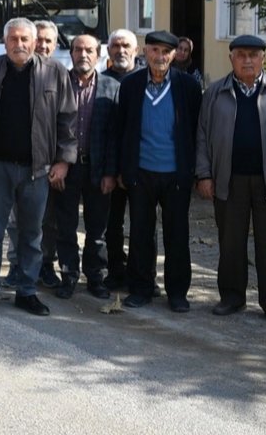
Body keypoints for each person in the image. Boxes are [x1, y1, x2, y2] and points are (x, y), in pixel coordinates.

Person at [196, 34, 266, 325]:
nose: (248, 60)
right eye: (242, 54)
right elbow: (202, 137)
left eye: (254, 55)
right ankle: (232, 297)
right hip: (229, 179)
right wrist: (204, 174)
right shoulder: (215, 94)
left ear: (263, 58)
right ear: (231, 58)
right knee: (230, 243)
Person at [0, 18, 76, 317]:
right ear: (4, 43)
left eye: (24, 39)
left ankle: (27, 291)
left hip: (37, 169)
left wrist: (63, 160)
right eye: (13, 39)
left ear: (34, 41)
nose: (19, 44)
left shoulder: (54, 71)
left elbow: (68, 118)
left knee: (32, 233)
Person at [111, 30, 202, 312]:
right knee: (140, 233)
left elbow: (197, 129)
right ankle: (141, 287)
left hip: (176, 174)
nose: (160, 57)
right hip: (141, 172)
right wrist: (121, 170)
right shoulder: (131, 85)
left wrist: (195, 172)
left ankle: (177, 293)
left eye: (166, 52)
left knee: (177, 235)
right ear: (145, 52)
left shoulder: (187, 87)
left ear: (174, 55)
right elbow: (120, 130)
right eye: (154, 50)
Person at [50, 34, 119, 300]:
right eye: (78, 49)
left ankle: (95, 276)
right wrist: (58, 161)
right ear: (71, 54)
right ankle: (68, 276)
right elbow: (50, 127)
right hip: (67, 168)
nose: (83, 55)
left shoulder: (112, 87)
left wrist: (111, 172)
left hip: (98, 168)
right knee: (65, 225)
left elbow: (115, 134)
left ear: (99, 54)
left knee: (97, 228)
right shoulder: (58, 84)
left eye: (89, 50)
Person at [102, 28, 141, 289]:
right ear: (108, 51)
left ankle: (142, 274)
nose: (121, 50)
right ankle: (115, 271)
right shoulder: (100, 81)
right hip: (108, 167)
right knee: (112, 225)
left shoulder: (147, 81)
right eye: (115, 46)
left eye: (126, 45)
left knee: (143, 225)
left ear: (136, 51)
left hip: (140, 168)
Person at [30, 19, 62, 290]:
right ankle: (21, 267)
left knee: (48, 220)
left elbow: (67, 121)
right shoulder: (13, 69)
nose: (42, 45)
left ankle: (46, 265)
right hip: (18, 163)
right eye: (38, 39)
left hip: (49, 164)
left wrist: (63, 161)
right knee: (19, 221)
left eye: (47, 41)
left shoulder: (60, 72)